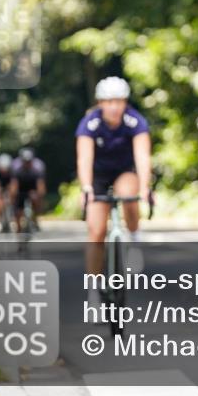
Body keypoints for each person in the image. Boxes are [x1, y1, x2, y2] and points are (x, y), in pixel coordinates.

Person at [75, 76, 152, 304]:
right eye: (109, 102)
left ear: (125, 102)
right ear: (100, 103)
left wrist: (145, 187)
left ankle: (135, 239)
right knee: (96, 232)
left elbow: (142, 156)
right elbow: (84, 159)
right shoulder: (89, 124)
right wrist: (86, 188)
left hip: (124, 171)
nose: (114, 107)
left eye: (119, 101)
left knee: (129, 195)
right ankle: (93, 293)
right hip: (97, 175)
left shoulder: (134, 121)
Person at [11, 147, 46, 232]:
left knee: (36, 200)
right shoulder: (17, 172)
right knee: (18, 211)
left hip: (32, 191)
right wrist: (13, 197)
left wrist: (38, 195)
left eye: (29, 161)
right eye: (25, 162)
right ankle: (18, 230)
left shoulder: (37, 171)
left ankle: (35, 218)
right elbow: (14, 186)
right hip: (21, 192)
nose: (27, 164)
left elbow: (41, 186)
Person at [0, 153, 14, 233]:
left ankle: (10, 219)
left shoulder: (12, 173)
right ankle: (0, 220)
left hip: (9, 190)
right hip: (0, 190)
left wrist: (11, 193)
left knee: (12, 200)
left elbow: (14, 184)